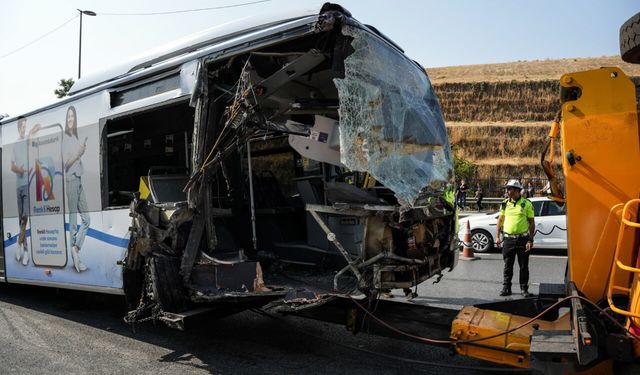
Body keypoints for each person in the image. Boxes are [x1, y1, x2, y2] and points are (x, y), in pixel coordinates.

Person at [495, 179, 535, 297]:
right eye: (507, 189)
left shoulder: (527, 203)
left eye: (510, 188)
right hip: (508, 240)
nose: (507, 191)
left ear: (518, 190)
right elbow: (500, 220)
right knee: (508, 265)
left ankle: (524, 289)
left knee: (523, 266)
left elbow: (532, 223)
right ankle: (506, 288)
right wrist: (497, 236)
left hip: (522, 239)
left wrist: (530, 240)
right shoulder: (504, 203)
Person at [63, 106, 90, 273]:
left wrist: (81, 152)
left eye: (73, 116)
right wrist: (79, 153)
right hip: (71, 180)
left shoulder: (74, 136)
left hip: (78, 179)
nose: (71, 119)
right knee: (74, 221)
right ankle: (76, 256)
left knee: (87, 219)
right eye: (69, 117)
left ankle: (76, 249)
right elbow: (65, 164)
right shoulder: (66, 139)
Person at [10, 117, 36, 266]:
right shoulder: (15, 145)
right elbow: (12, 167)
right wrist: (19, 169)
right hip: (18, 186)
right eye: (22, 127)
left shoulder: (27, 141)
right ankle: (25, 250)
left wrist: (32, 131)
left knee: (25, 216)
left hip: (26, 185)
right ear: (18, 128)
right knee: (21, 220)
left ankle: (18, 243)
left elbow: (32, 146)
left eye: (25, 127)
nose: (23, 129)